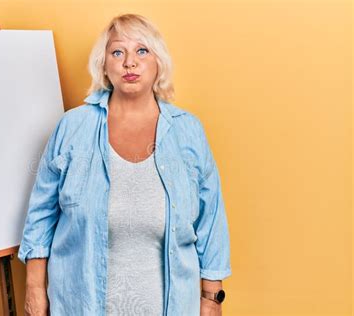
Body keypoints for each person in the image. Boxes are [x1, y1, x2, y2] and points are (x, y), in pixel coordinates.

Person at [18, 13, 232, 316]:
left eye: (141, 51)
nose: (129, 62)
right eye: (118, 52)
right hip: (80, 306)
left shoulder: (188, 132)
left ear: (159, 61)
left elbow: (211, 220)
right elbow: (41, 215)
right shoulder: (72, 128)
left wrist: (212, 298)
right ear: (104, 64)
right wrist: (34, 290)